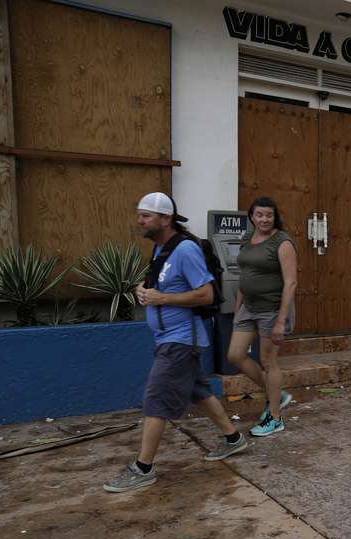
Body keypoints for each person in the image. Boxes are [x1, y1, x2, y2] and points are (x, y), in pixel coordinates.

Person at [103, 192, 246, 493]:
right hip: (170, 338)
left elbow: (206, 294)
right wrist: (144, 290)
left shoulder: (185, 250)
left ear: (165, 219)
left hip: (181, 340)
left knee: (156, 397)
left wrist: (162, 298)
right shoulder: (161, 250)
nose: (139, 221)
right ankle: (233, 438)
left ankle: (143, 469)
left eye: (145, 216)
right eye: (139, 214)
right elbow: (162, 285)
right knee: (197, 390)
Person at [226, 197, 298, 437]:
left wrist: (281, 320)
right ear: (252, 217)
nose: (264, 219)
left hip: (272, 308)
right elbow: (243, 276)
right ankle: (277, 394)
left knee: (269, 362)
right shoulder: (248, 238)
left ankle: (275, 418)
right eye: (259, 215)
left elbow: (291, 282)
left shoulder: (282, 241)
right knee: (235, 355)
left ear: (274, 216)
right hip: (248, 307)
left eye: (269, 215)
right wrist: (238, 309)